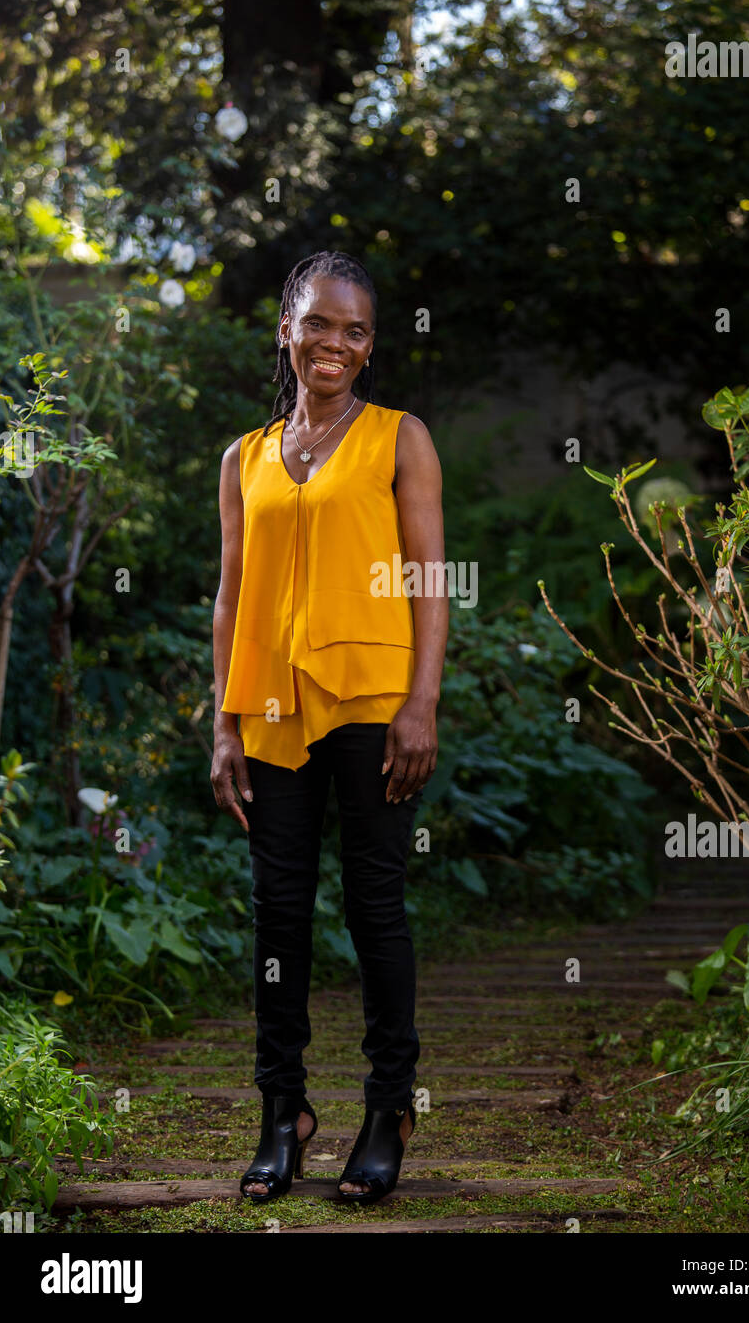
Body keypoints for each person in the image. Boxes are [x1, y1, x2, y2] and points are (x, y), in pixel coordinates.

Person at [211, 250, 448, 1204]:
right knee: (279, 913)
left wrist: (421, 702)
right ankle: (284, 1114)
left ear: (370, 345)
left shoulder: (400, 439)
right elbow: (230, 597)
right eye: (318, 323)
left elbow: (430, 582)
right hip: (269, 707)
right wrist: (224, 723)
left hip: (371, 699)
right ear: (287, 328)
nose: (334, 344)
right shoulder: (246, 456)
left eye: (354, 330)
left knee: (374, 908)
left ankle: (389, 1110)